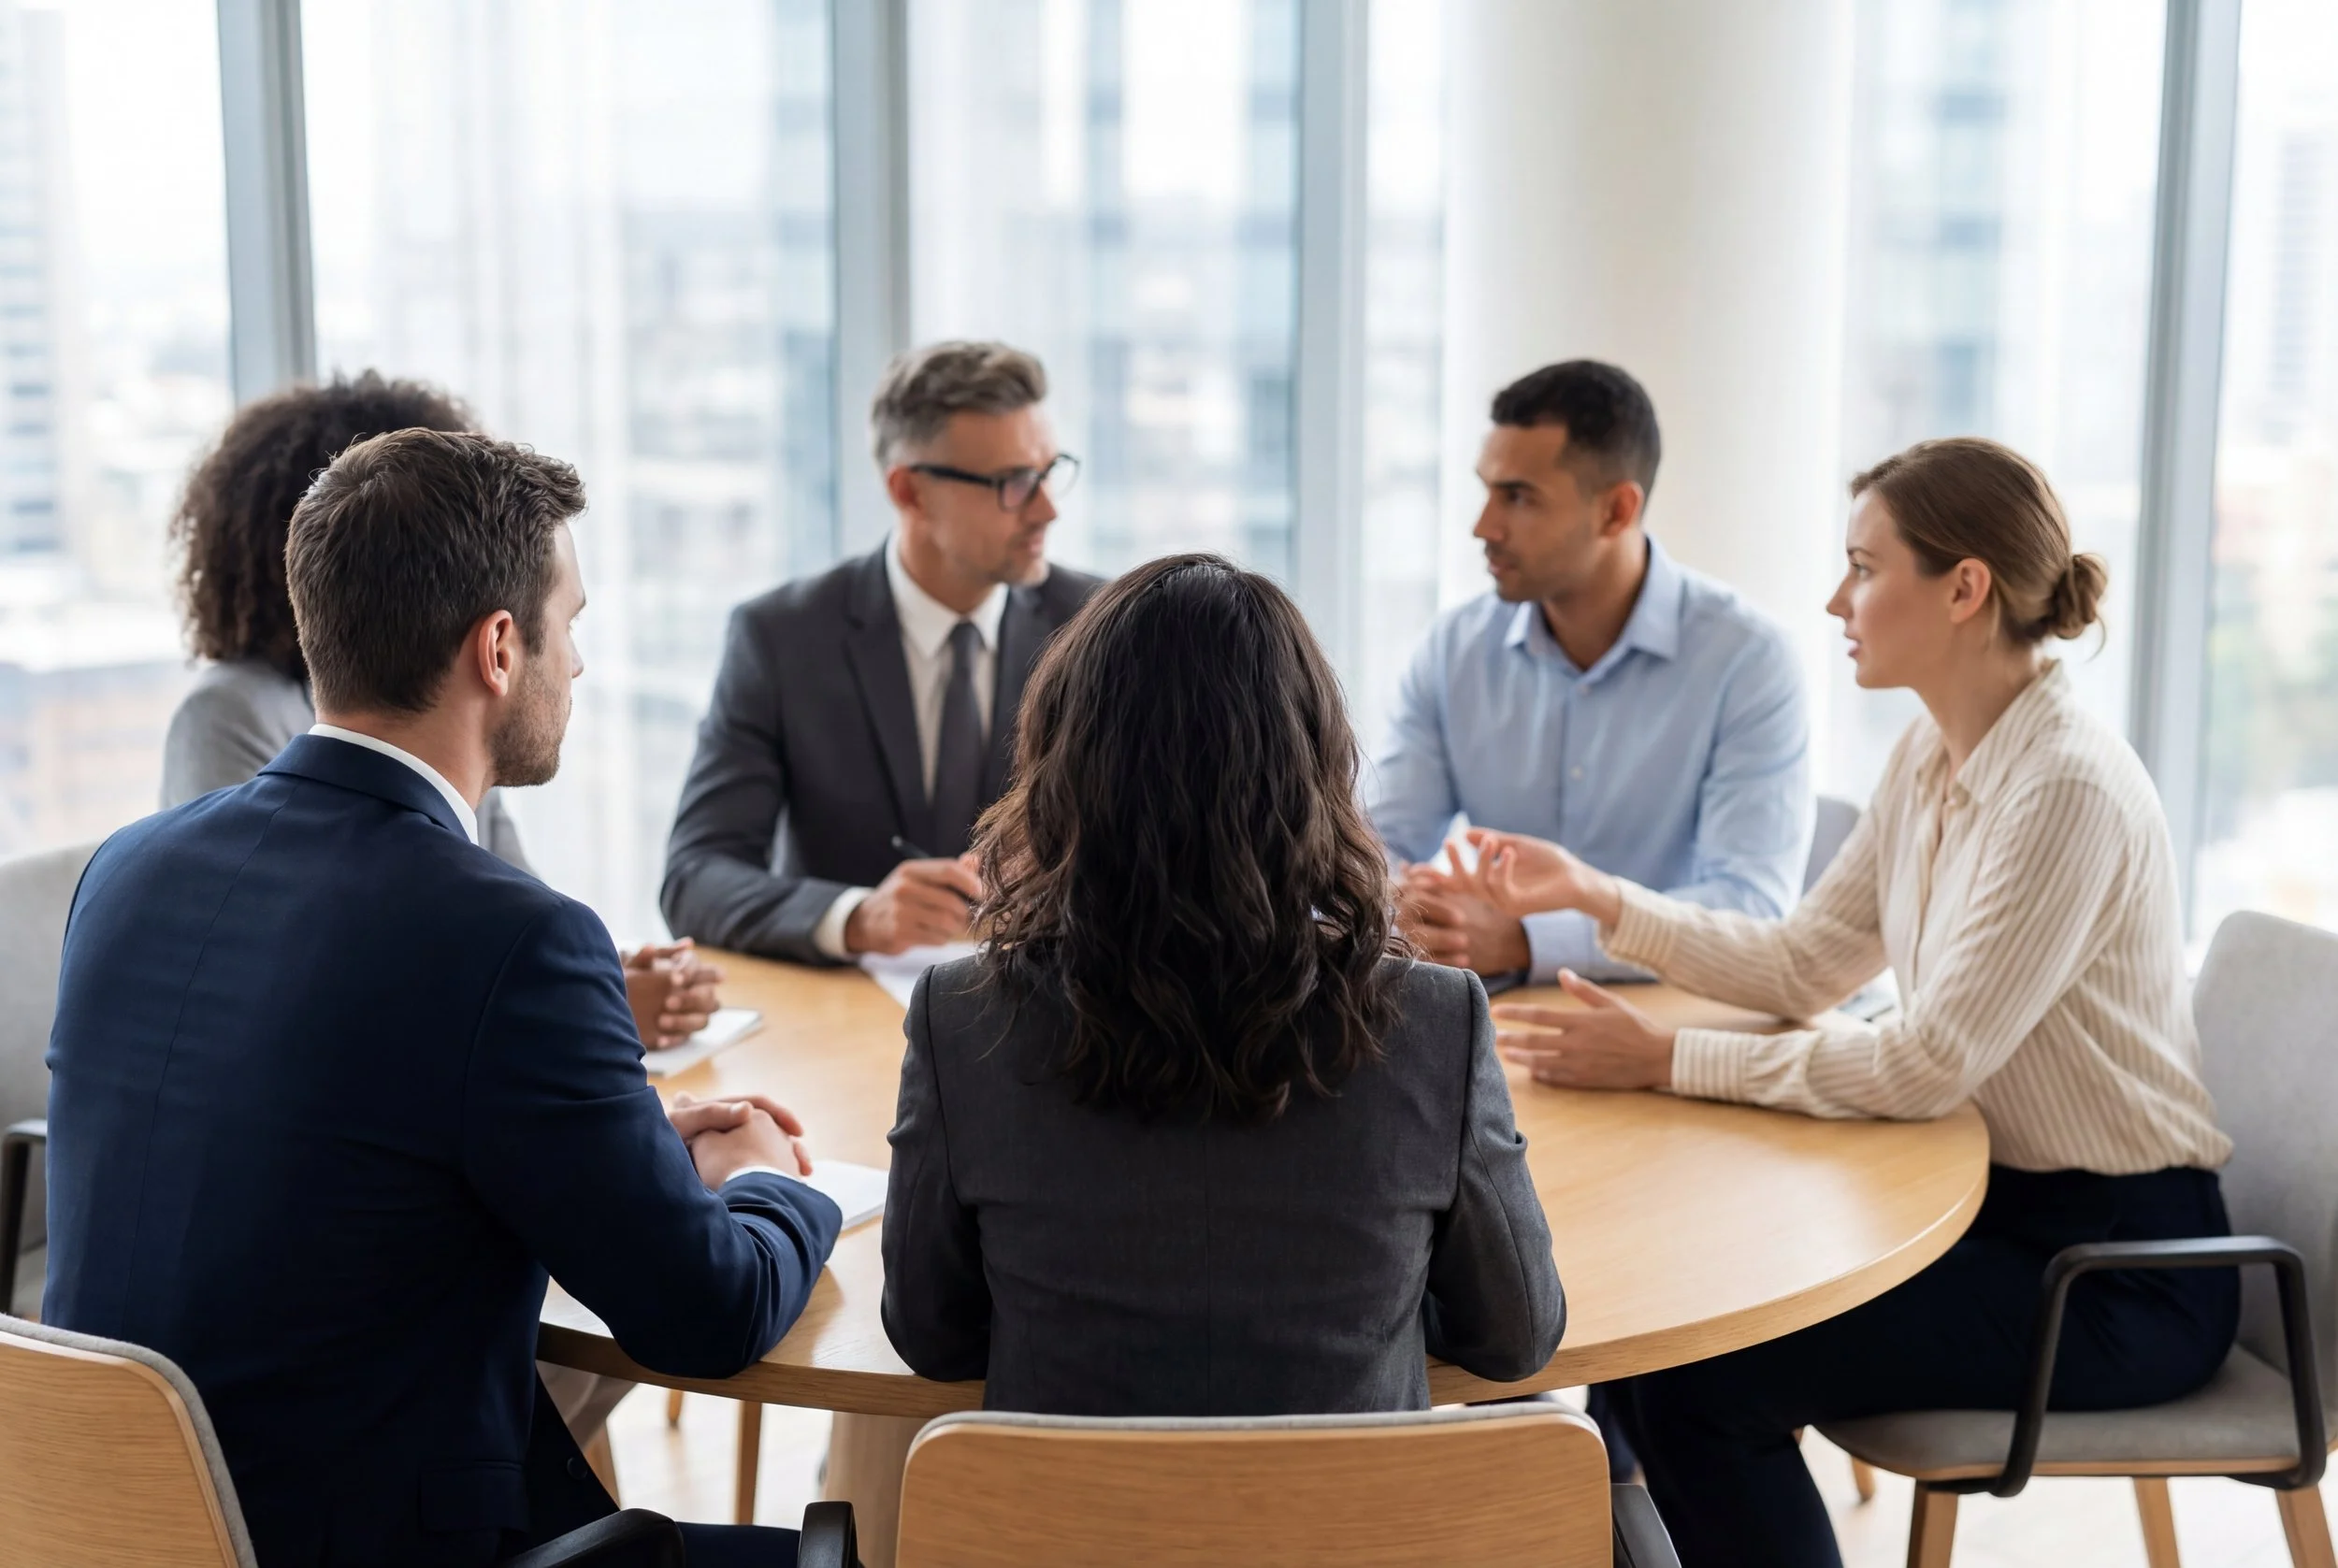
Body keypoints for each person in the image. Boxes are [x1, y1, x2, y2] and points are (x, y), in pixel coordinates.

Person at [45, 428, 844, 1568]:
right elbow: (706, 1319)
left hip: (119, 1525)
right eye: (573, 626)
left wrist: (627, 1148)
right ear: (501, 648)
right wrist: (771, 1179)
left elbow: (324, 1148)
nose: (581, 666)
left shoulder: (127, 869)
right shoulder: (511, 937)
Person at [1466, 438, 2236, 1568]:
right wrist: (1602, 897)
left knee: (1698, 1385)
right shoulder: (1936, 749)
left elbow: (1924, 1065)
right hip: (2001, 1216)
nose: (1837, 598)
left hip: (2117, 1275)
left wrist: (1663, 1061)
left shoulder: (2063, 786)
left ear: (1963, 588)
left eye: (1864, 568)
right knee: (1658, 1341)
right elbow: (1805, 963)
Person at [880, 554, 1565, 1415]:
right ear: (1314, 773)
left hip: (1064, 1538)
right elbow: (1517, 1336)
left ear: (1063, 772)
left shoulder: (962, 1016)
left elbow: (931, 1335)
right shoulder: (1433, 1018)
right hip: (1352, 1541)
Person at [162, 372, 723, 1052]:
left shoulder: (446, 729)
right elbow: (291, 973)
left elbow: (513, 905)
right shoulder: (235, 711)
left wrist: (592, 979)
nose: (574, 662)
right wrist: (579, 1003)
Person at [1368, 359, 1810, 986]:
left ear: (1616, 511)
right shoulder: (1454, 649)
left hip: (1668, 1024)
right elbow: (1379, 842)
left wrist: (1527, 940)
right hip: (1493, 1021)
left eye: (1517, 497)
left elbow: (1750, 908)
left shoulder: (1748, 661)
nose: (1482, 526)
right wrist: (1403, 900)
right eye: (1487, 489)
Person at [662, 340, 1103, 965]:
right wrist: (854, 915)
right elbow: (696, 875)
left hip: (1053, 1020)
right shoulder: (781, 638)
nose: (1048, 507)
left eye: (1049, 470)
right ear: (910, 492)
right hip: (845, 1026)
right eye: (1013, 483)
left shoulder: (1097, 626)